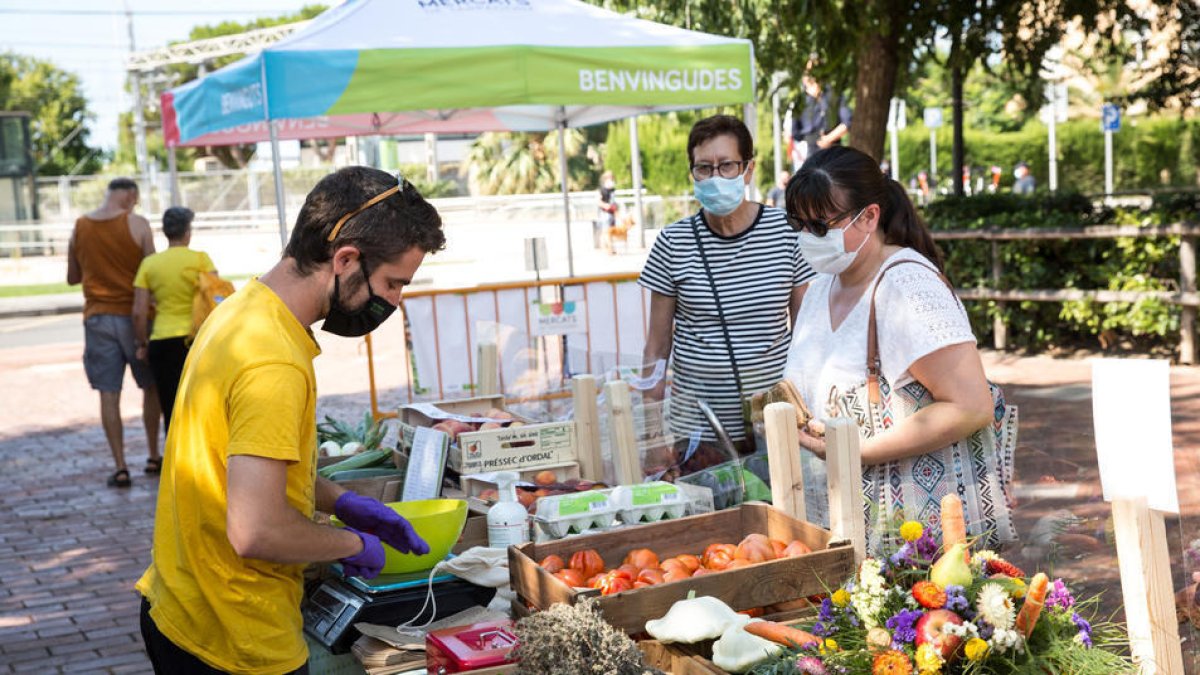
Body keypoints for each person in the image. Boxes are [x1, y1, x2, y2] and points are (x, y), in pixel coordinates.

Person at [136, 167, 443, 674]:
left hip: (180, 605)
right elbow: (255, 530)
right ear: (345, 259)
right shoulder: (273, 361)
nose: (395, 301)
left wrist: (341, 500)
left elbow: (240, 461)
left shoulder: (241, 311)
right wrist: (352, 543)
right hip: (235, 636)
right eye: (392, 283)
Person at [781, 145, 1007, 543]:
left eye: (820, 227)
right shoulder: (820, 289)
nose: (806, 238)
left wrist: (858, 451)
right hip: (836, 523)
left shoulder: (908, 287)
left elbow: (972, 406)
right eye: (797, 224)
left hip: (906, 536)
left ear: (869, 216)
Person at [640, 114, 815, 472]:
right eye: (704, 168)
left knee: (780, 524)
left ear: (748, 170)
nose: (715, 177)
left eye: (726, 165)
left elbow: (808, 335)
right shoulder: (673, 242)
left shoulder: (788, 232)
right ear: (693, 173)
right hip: (698, 433)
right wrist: (652, 436)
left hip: (776, 425)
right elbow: (656, 349)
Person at [66, 177, 162, 488]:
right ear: (130, 195)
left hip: (97, 318)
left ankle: (120, 466)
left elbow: (72, 277)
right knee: (150, 386)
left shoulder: (80, 226)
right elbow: (152, 274)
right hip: (135, 318)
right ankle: (152, 455)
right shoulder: (138, 224)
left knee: (109, 393)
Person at [132, 206, 215, 436]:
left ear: (165, 232)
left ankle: (174, 464)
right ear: (188, 232)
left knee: (170, 407)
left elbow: (139, 311)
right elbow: (214, 299)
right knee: (201, 403)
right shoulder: (201, 260)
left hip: (162, 340)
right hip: (194, 340)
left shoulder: (150, 264)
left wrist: (141, 343)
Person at [790, 74, 853, 169]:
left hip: (833, 150)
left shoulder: (834, 95)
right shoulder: (799, 101)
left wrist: (828, 138)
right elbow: (795, 133)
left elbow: (847, 122)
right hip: (810, 151)